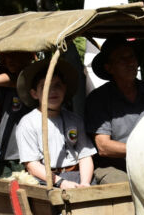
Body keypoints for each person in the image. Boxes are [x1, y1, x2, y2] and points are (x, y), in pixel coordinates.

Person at [85, 38, 144, 184]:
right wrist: (143, 149)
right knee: (127, 187)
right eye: (122, 59)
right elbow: (104, 147)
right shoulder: (98, 99)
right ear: (109, 68)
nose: (130, 63)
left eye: (132, 57)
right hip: (114, 166)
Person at [14, 59, 94, 188]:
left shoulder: (74, 119)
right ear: (34, 94)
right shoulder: (28, 123)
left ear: (65, 88)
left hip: (77, 176)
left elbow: (85, 155)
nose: (53, 91)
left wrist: (85, 182)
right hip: (46, 180)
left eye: (57, 85)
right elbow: (32, 165)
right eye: (45, 87)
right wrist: (61, 182)